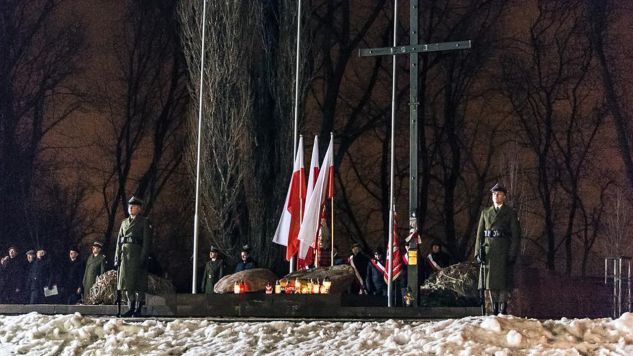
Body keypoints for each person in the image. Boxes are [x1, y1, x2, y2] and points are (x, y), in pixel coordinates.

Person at [474, 183, 521, 315]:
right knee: (491, 282)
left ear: (504, 196)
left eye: (499, 194)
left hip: (503, 250)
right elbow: (479, 234)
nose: (496, 196)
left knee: (503, 281)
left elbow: (516, 235)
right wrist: (478, 252)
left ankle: (502, 306)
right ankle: (494, 307)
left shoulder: (510, 213)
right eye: (494, 194)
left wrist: (512, 253)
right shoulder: (485, 212)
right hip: (489, 251)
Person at [115, 196, 152, 317]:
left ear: (139, 208)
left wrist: (143, 257)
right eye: (130, 206)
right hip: (125, 257)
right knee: (126, 283)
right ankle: (130, 307)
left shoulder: (144, 221)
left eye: (134, 206)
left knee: (138, 283)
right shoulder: (124, 222)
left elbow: (147, 242)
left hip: (136, 256)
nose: (131, 208)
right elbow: (119, 241)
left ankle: (138, 308)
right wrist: (117, 257)